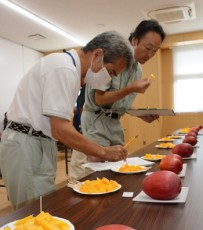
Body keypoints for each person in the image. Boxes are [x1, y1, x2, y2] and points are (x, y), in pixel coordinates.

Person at [0, 31, 134, 210]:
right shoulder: (63, 68)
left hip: (39, 141)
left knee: (43, 208)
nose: (108, 78)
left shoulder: (70, 70)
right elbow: (61, 129)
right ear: (97, 55)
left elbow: (59, 127)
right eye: (110, 72)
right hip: (26, 142)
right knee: (32, 215)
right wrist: (102, 152)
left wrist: (91, 151)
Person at [70, 20, 166, 179]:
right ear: (135, 40)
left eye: (155, 51)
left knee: (115, 175)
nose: (150, 55)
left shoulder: (138, 70)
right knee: (93, 177)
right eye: (148, 48)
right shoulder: (113, 56)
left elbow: (119, 103)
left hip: (114, 126)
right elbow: (99, 100)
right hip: (95, 125)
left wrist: (140, 114)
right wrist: (131, 88)